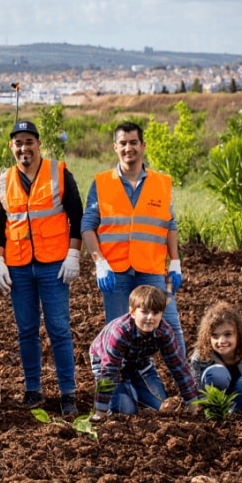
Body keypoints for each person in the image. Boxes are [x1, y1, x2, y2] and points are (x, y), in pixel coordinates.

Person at [0, 120, 84, 415]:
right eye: (18, 143)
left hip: (53, 266)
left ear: (38, 144)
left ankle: (68, 393)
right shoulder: (3, 180)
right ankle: (33, 390)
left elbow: (77, 216)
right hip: (17, 267)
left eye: (29, 141)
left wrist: (73, 254)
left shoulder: (59, 173)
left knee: (59, 330)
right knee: (26, 331)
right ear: (11, 147)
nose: (24, 148)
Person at [80, 121, 187, 352]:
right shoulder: (101, 183)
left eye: (133, 143)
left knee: (170, 325)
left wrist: (175, 261)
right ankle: (117, 385)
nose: (129, 148)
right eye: (123, 143)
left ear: (143, 145)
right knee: (118, 331)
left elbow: (170, 224)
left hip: (152, 269)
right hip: (115, 272)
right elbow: (87, 226)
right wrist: (100, 263)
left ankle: (187, 383)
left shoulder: (162, 183)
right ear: (115, 147)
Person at [89, 285, 200, 418]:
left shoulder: (164, 332)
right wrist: (100, 412)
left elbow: (178, 366)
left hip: (140, 363)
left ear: (162, 314)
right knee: (125, 412)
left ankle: (133, 390)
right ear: (132, 312)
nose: (150, 317)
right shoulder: (120, 332)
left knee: (160, 407)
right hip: (108, 364)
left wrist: (192, 403)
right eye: (145, 312)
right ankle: (126, 392)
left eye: (155, 313)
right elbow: (109, 370)